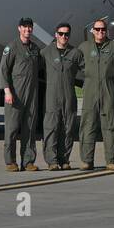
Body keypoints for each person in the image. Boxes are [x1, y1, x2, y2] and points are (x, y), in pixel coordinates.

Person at [77, 19, 114, 171]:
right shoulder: (84, 47)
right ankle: (87, 160)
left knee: (110, 125)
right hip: (90, 89)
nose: (100, 32)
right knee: (88, 125)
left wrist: (111, 70)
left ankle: (111, 160)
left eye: (103, 29)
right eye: (97, 29)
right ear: (92, 31)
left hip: (108, 88)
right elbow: (78, 62)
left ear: (106, 31)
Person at [0, 18, 43, 172]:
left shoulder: (35, 49)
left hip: (31, 95)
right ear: (19, 28)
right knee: (11, 128)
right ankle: (10, 161)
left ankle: (28, 161)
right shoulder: (12, 47)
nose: (27, 30)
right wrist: (7, 91)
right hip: (15, 94)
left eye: (30, 27)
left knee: (29, 129)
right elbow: (3, 71)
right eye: (24, 27)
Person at [43, 22, 82, 170]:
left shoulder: (75, 53)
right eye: (61, 34)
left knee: (68, 127)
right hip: (52, 97)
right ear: (56, 35)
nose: (63, 36)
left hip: (69, 96)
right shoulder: (46, 52)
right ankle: (52, 161)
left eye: (66, 34)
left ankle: (64, 159)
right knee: (51, 127)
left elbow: (88, 70)